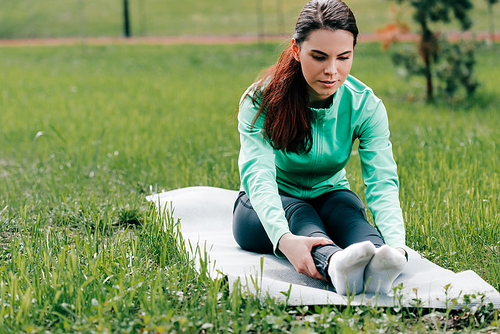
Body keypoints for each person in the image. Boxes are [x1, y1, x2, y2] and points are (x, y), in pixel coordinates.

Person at [232, 0, 407, 295]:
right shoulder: (259, 100)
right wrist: (284, 239)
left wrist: (397, 245)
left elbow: (382, 182)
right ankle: (335, 264)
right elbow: (259, 176)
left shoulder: (365, 105)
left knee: (351, 216)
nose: (332, 70)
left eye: (343, 57)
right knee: (302, 215)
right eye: (319, 56)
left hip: (330, 195)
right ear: (297, 50)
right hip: (269, 205)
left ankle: (382, 265)